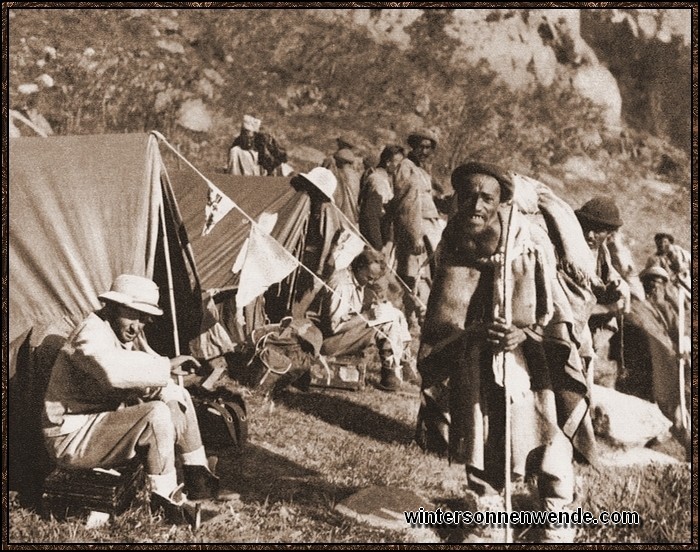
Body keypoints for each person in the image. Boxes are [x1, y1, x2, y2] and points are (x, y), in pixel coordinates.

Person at [417, 162, 596, 543]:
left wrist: (523, 333)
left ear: (501, 202)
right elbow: (445, 314)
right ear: (455, 199)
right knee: (480, 432)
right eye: (468, 196)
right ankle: (488, 522)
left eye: (487, 197)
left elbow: (551, 315)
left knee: (546, 434)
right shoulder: (452, 241)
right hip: (478, 354)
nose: (476, 205)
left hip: (535, 362)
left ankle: (556, 520)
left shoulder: (526, 242)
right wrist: (472, 333)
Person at [42, 275, 221, 524]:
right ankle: (168, 506)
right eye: (133, 314)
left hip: (98, 424)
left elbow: (151, 378)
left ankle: (199, 482)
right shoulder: (90, 333)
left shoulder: (126, 333)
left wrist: (171, 397)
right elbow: (114, 373)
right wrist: (166, 366)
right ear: (111, 306)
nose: (137, 325)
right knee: (155, 414)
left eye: (143, 318)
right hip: (71, 436)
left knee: (177, 394)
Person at [318, 248, 410, 393]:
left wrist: (371, 307)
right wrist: (367, 316)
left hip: (343, 337)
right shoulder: (341, 284)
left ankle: (403, 362)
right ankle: (390, 374)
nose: (371, 282)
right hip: (329, 342)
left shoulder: (356, 280)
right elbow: (334, 326)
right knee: (386, 323)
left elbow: (351, 313)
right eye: (369, 277)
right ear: (359, 267)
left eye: (374, 278)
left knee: (396, 314)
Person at [575, 196, 631, 389]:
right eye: (586, 226)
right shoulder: (569, 255)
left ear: (608, 233)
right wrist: (608, 307)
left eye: (598, 230)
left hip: (588, 335)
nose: (590, 235)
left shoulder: (603, 257)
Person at [392, 128, 446, 325]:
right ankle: (411, 319)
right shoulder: (406, 167)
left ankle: (423, 316)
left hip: (431, 228)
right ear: (412, 147)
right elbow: (408, 204)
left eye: (428, 148)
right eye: (420, 147)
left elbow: (429, 198)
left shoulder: (423, 171)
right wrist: (415, 235)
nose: (424, 151)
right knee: (412, 275)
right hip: (416, 228)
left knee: (428, 275)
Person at [358, 145, 405, 256]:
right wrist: (378, 245)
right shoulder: (378, 180)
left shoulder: (386, 180)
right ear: (388, 162)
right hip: (374, 240)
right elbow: (371, 216)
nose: (400, 167)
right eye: (398, 162)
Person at [645, 232, 691, 301]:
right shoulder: (654, 258)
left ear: (670, 242)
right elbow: (651, 272)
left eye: (665, 241)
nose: (661, 244)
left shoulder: (680, 252)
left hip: (684, 279)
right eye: (659, 242)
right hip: (667, 284)